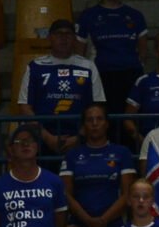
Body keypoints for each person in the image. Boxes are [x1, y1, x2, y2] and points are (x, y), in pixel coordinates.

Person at [22, 19, 102, 158]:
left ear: (74, 38)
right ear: (49, 38)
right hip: (42, 139)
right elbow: (25, 107)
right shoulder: (35, 67)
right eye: (58, 34)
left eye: (68, 34)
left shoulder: (88, 66)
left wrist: (79, 137)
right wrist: (47, 138)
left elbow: (99, 106)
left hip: (80, 138)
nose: (63, 38)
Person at [61, 103, 137, 227]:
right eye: (90, 120)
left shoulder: (122, 153)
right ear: (84, 125)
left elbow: (128, 193)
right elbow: (66, 194)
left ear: (107, 124)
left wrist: (103, 220)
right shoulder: (72, 155)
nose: (95, 124)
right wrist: (87, 220)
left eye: (99, 119)